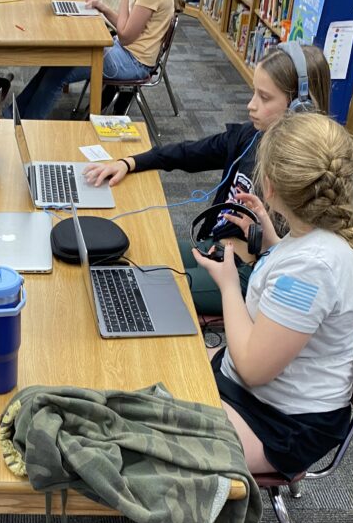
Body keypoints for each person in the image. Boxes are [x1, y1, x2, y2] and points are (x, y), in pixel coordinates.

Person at [192, 113, 353, 478]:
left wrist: (230, 285)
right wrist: (272, 243)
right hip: (269, 392)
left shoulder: (311, 268)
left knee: (142, 435)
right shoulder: (317, 239)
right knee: (160, 363)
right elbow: (298, 286)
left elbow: (252, 370)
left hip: (279, 421)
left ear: (268, 185)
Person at [83, 43, 331, 317]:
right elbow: (189, 153)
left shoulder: (305, 173)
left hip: (244, 273)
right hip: (214, 246)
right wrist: (129, 162)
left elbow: (301, 263)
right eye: (253, 93)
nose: (251, 105)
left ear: (300, 108)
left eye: (264, 97)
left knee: (140, 290)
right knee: (128, 257)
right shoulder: (249, 137)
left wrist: (265, 244)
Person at [12, 0, 180, 120]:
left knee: (60, 70)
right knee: (56, 62)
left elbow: (125, 36)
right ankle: (13, 115)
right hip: (124, 50)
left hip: (134, 62)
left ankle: (28, 128)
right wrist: (102, 7)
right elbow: (127, 26)